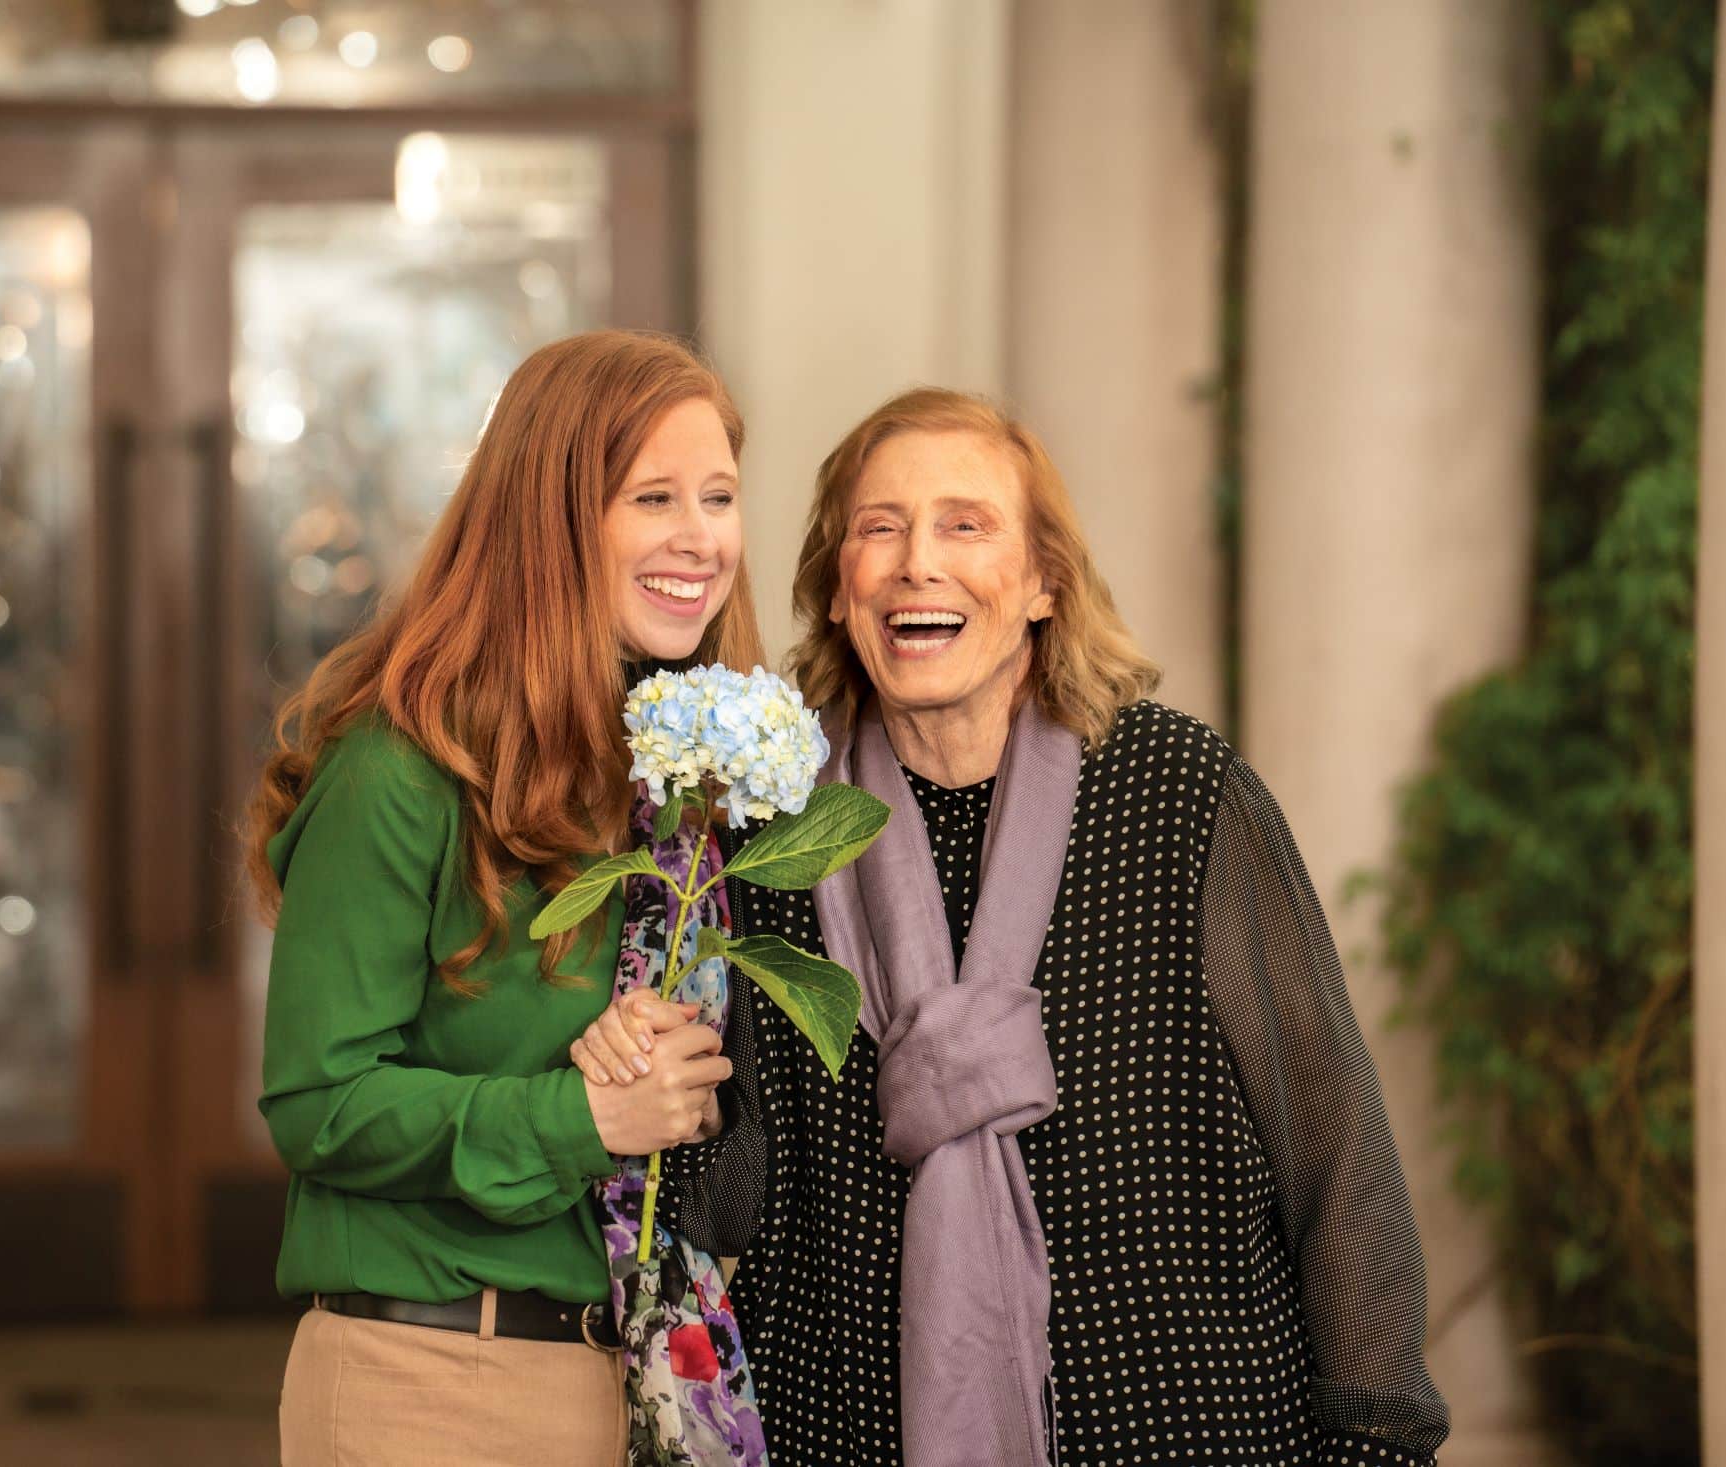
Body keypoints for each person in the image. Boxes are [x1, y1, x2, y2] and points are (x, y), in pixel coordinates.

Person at [573, 388, 1451, 1466]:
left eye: (965, 525)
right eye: (878, 528)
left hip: (1187, 1421)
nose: (915, 564)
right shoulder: (776, 832)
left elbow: (1333, 1140)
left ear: (1042, 584)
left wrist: (1375, 1437)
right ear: (838, 590)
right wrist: (666, 1087)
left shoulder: (1173, 792)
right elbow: (743, 1195)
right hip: (848, 1428)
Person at [250, 330, 757, 1466]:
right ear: (552, 518)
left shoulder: (686, 773)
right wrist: (577, 1120)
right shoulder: (401, 767)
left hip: (647, 1385)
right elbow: (316, 1102)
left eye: (719, 496)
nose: (700, 537)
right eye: (654, 497)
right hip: (433, 1384)